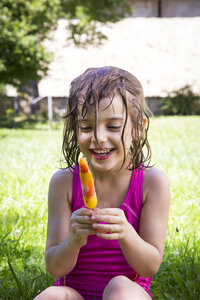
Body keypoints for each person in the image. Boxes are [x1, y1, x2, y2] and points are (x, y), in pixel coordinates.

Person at [34, 66, 170, 300]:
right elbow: (55, 268)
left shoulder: (151, 182)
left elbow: (150, 266)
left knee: (119, 286)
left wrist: (126, 232)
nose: (98, 137)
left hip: (126, 292)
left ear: (138, 128)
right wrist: (73, 240)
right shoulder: (64, 183)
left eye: (113, 126)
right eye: (86, 127)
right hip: (73, 293)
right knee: (53, 296)